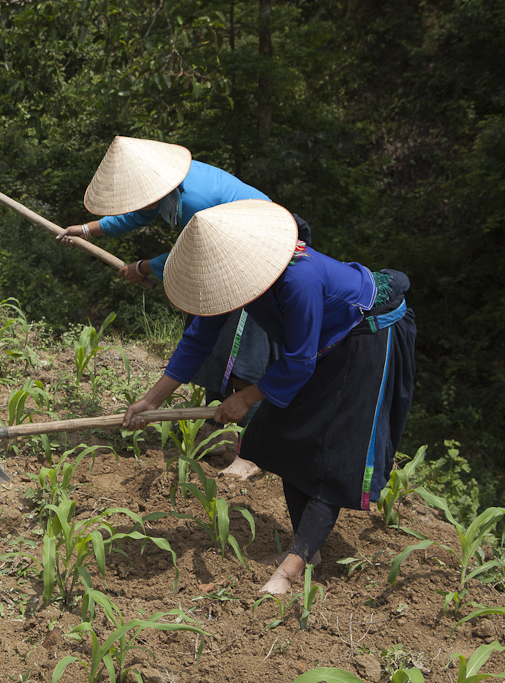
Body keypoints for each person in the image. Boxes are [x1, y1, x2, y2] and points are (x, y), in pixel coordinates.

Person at [121, 199, 415, 594]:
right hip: (315, 349)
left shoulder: (300, 277)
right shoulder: (232, 280)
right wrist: (151, 400)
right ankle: (308, 553)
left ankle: (292, 568)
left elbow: (298, 361)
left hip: (367, 336)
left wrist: (247, 397)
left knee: (331, 453)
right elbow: (198, 340)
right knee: (276, 438)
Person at [58, 136, 299, 479]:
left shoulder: (195, 199)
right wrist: (85, 230)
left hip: (253, 260)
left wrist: (142, 268)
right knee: (214, 349)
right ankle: (217, 431)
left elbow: (189, 254)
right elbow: (134, 217)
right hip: (222, 261)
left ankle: (251, 453)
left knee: (245, 358)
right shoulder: (165, 188)